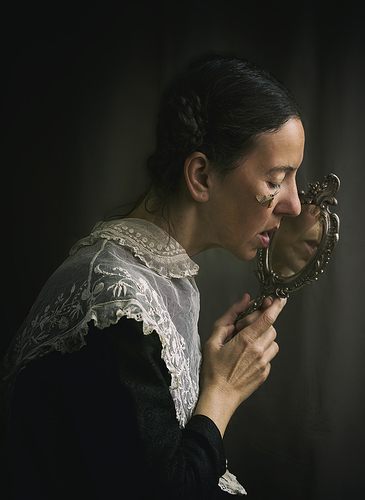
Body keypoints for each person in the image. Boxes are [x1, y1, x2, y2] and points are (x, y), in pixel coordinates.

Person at [2, 55, 305, 499]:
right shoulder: (117, 300)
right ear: (201, 175)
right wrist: (221, 392)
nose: (294, 205)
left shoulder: (163, 277)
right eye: (277, 180)